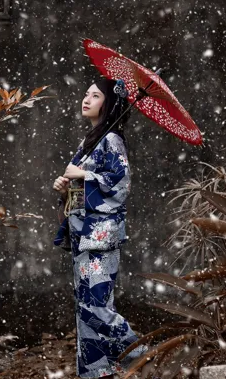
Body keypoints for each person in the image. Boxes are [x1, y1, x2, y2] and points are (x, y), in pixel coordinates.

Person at [52, 78, 147, 378]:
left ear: (108, 104)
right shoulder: (90, 141)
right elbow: (77, 196)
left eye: (95, 95)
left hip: (100, 238)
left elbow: (121, 185)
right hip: (83, 237)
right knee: (85, 312)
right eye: (86, 94)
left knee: (96, 308)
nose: (87, 99)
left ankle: (140, 353)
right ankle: (97, 373)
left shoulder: (112, 140)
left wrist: (85, 175)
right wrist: (64, 187)